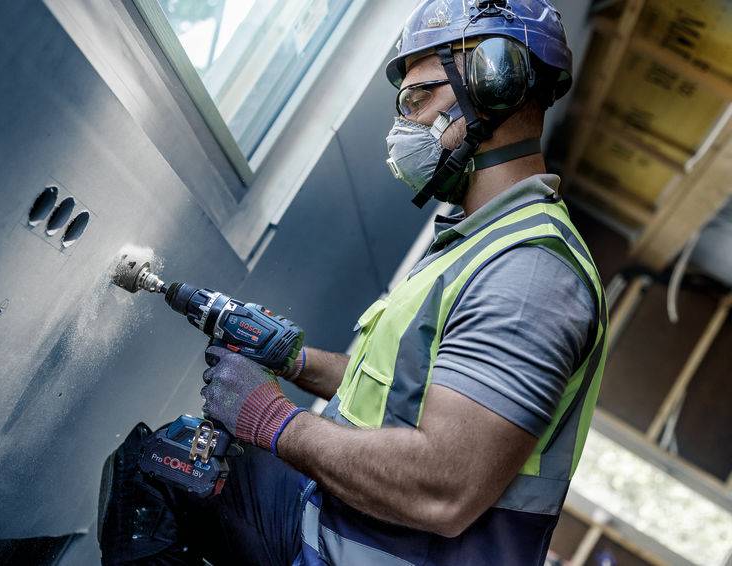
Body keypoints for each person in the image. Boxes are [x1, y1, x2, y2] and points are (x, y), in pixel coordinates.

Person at [99, 1, 607, 564]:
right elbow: (405, 399)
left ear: (495, 81)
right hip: (348, 526)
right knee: (177, 461)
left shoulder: (529, 275)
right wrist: (293, 360)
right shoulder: (481, 241)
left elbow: (443, 487)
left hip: (373, 550)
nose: (403, 126)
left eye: (419, 99)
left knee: (165, 470)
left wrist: (275, 421)